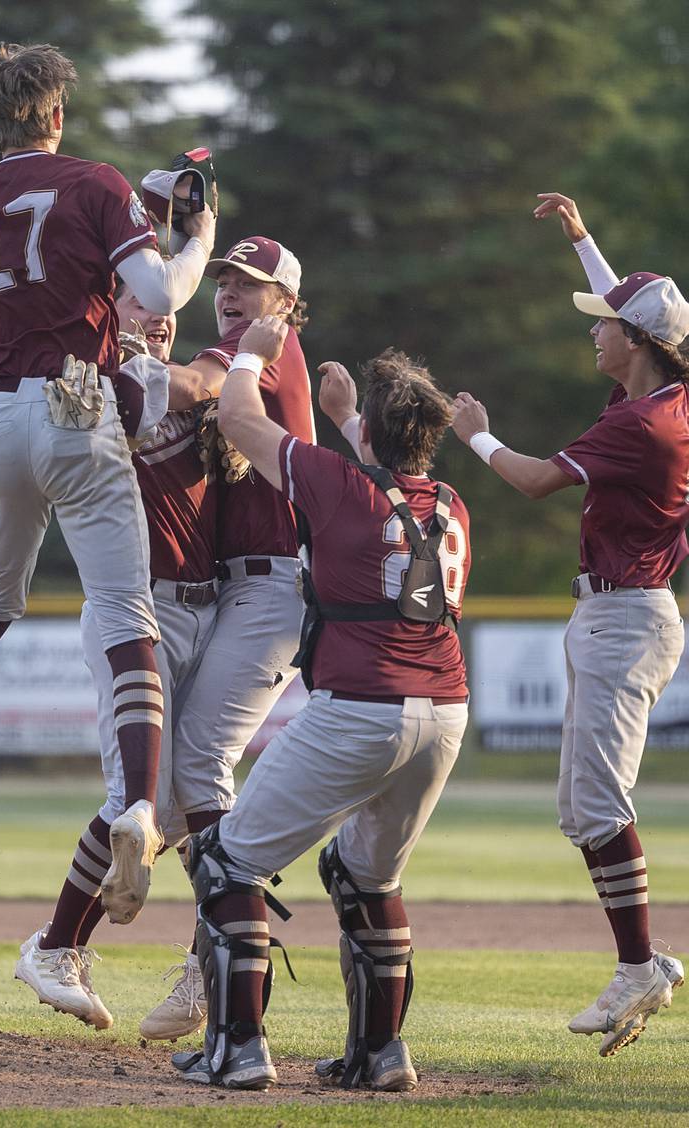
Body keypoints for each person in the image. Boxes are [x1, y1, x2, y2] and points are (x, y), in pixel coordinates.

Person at [0, 44, 215, 929]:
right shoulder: (95, 183)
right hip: (78, 401)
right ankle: (141, 810)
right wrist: (199, 243)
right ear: (57, 113)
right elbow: (160, 286)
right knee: (125, 616)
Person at [171, 319, 471, 1091]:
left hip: (360, 708)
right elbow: (387, 485)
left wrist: (250, 356)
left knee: (225, 862)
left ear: (370, 430)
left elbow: (239, 418)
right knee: (366, 877)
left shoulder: (339, 485)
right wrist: (349, 421)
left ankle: (236, 1050)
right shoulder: (453, 504)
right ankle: (382, 1055)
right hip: (444, 714)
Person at [451, 191, 688, 1058]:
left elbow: (536, 479)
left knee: (596, 803)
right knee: (581, 805)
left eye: (604, 325)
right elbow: (646, 317)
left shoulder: (643, 424)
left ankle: (641, 966)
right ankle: (639, 963)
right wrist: (587, 242)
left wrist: (475, 436)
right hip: (622, 613)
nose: (594, 331)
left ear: (639, 343)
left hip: (625, 616)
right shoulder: (663, 400)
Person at [14, 286, 221, 1029]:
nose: (159, 314)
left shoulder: (182, 385)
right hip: (133, 610)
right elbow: (189, 381)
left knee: (185, 803)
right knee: (132, 801)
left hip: (208, 607)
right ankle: (54, 945)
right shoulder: (94, 383)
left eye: (167, 305)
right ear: (106, 309)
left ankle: (203, 967)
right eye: (139, 301)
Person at [141, 236, 315, 1037]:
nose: (230, 293)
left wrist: (103, 368)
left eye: (250, 282)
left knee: (197, 763)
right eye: (223, 281)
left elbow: (195, 385)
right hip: (236, 585)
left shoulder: (266, 349)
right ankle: (215, 949)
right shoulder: (257, 348)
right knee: (179, 772)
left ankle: (222, 956)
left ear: (285, 300)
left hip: (273, 582)